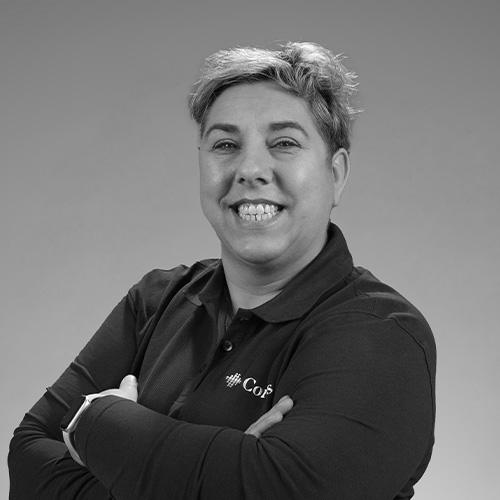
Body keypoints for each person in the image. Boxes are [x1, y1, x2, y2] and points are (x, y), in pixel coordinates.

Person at [8, 41, 436, 500]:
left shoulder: (383, 337)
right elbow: (28, 454)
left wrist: (97, 420)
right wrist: (224, 472)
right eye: (226, 145)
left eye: (284, 143)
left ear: (336, 174)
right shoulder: (155, 300)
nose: (250, 169)